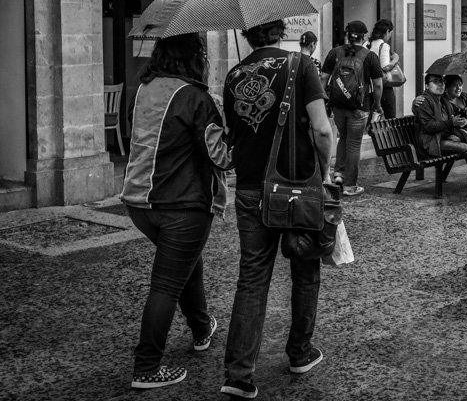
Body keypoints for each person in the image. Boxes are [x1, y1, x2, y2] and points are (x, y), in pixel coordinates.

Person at [221, 20, 334, 399]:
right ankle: (300, 352)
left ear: (247, 34)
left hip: (250, 187)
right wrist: (326, 170)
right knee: (305, 268)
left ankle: (238, 374)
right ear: (280, 29)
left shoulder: (234, 75)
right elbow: (322, 129)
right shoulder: (301, 65)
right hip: (296, 185)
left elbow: (234, 134)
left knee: (252, 278)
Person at [120, 33, 231, 390]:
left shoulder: (143, 89)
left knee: (185, 265)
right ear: (194, 57)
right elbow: (221, 157)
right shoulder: (195, 97)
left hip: (139, 203)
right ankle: (147, 367)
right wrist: (234, 131)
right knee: (166, 286)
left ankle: (201, 328)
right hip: (182, 204)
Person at [320, 20, 383, 196]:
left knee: (343, 138)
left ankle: (338, 176)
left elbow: (323, 78)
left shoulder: (334, 53)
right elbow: (378, 84)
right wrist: (377, 105)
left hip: (338, 105)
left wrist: (324, 100)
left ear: (347, 35)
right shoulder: (370, 56)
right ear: (364, 37)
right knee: (354, 144)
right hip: (360, 106)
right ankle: (350, 186)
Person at [367, 19, 401, 119]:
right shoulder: (383, 45)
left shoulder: (367, 44)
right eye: (390, 33)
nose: (390, 36)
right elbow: (385, 67)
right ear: (387, 31)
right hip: (383, 87)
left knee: (369, 119)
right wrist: (395, 59)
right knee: (391, 118)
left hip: (368, 87)